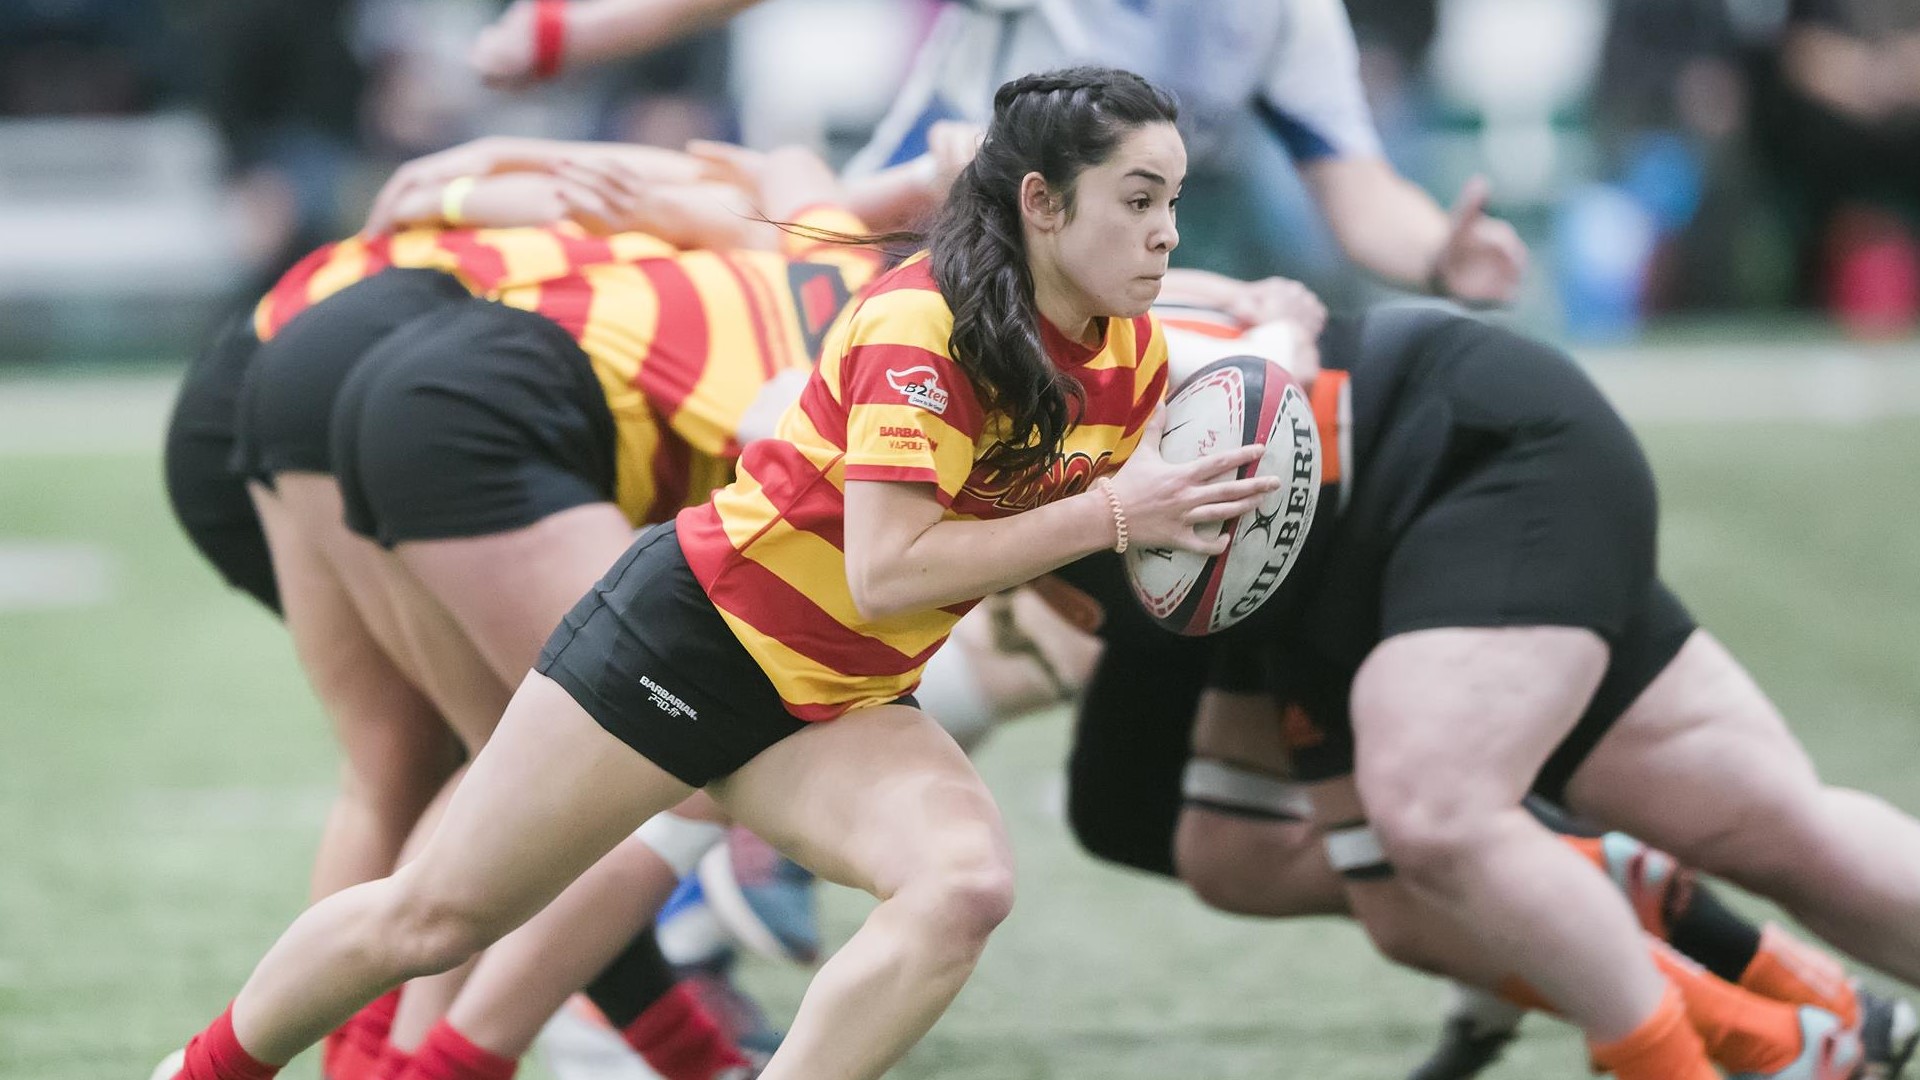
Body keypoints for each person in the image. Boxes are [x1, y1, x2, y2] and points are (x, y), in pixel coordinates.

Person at [150, 65, 1287, 1080]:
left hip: (840, 695)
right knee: (432, 916)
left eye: (1174, 202)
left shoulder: (1129, 354)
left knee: (962, 888)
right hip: (693, 641)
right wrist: (1116, 514)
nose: (1167, 233)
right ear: (1042, 202)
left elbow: (1107, 493)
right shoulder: (921, 326)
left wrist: (1257, 369)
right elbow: (890, 571)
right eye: (1139, 200)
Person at [1045, 299, 1920, 1079]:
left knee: (1436, 807)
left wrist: (1267, 319)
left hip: (1450, 453)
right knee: (1313, 873)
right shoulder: (945, 409)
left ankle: (1685, 1049)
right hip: (1311, 585)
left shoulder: (997, 350)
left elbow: (1260, 321)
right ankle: (1783, 1041)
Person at [471, 0, 1528, 302]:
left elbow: (1359, 193)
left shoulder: (1285, 17)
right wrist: (562, 34)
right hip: (887, 258)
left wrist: (1443, 254)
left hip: (1061, 302)